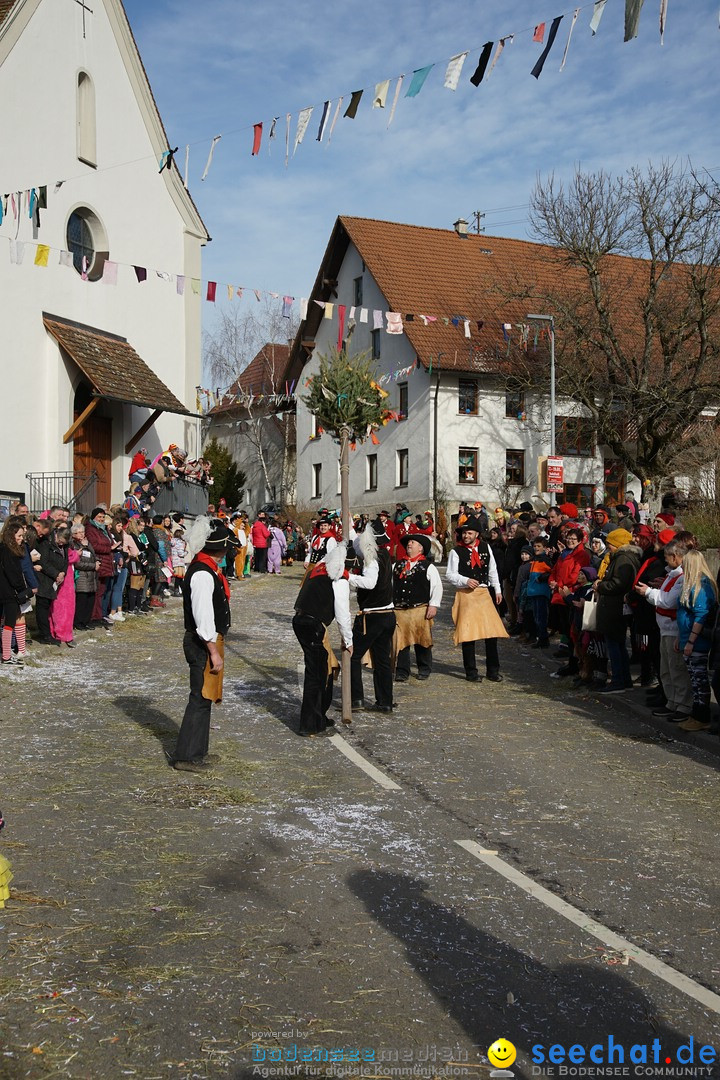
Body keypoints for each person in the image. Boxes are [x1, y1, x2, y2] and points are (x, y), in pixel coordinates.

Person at [171, 518, 236, 772]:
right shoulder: (201, 573)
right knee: (198, 697)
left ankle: (198, 751)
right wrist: (213, 651)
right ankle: (186, 756)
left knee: (206, 696)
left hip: (207, 641)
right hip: (201, 643)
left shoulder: (207, 568)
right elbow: (203, 616)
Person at [292, 542, 353, 736]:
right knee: (316, 676)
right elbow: (343, 613)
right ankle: (309, 725)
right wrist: (348, 640)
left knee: (321, 672)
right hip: (313, 625)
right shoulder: (338, 579)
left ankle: (318, 717)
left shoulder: (318, 570)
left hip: (301, 621)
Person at [635, 537, 693, 723]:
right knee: (666, 669)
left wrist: (649, 593)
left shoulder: (682, 577)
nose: (665, 560)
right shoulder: (672, 575)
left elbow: (669, 601)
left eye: (668, 557)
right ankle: (672, 701)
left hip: (674, 629)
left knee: (677, 669)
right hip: (665, 628)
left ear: (676, 557)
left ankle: (683, 704)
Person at [446, 515, 507, 682]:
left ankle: (493, 671)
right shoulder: (455, 551)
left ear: (477, 534)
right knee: (468, 634)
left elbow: (492, 570)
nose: (466, 536)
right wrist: (465, 580)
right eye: (464, 533)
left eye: (469, 533)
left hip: (484, 593)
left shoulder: (486, 548)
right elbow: (450, 574)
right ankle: (471, 672)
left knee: (491, 633)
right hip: (466, 594)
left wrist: (498, 590)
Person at [349, 519, 396, 713]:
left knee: (352, 656)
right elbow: (355, 545)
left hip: (372, 616)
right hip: (387, 615)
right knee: (382, 660)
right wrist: (350, 527)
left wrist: (348, 577)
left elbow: (370, 583)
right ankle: (385, 701)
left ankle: (356, 698)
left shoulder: (373, 558)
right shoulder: (385, 554)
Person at [673, 548, 718, 732]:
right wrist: (680, 638)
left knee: (699, 679)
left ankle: (702, 716)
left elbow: (700, 616)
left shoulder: (702, 586)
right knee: (694, 678)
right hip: (686, 637)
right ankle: (696, 714)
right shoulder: (690, 584)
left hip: (696, 641)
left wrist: (691, 641)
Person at [593, 528, 643, 693]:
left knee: (615, 645)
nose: (608, 548)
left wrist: (601, 585)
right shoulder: (624, 558)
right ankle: (624, 679)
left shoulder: (623, 559)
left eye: (610, 544)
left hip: (614, 607)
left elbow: (619, 583)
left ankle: (618, 680)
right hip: (615, 607)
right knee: (618, 644)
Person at [392, 533, 442, 682]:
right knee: (401, 642)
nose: (409, 544)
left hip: (420, 609)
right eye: (408, 543)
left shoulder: (428, 567)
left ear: (420, 548)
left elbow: (437, 587)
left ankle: (424, 668)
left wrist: (433, 605)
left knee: (422, 640)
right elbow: (389, 585)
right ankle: (402, 671)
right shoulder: (397, 565)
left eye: (412, 542)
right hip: (400, 611)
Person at [0, 516, 32, 666]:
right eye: (19, 536)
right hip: (9, 593)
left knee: (6, 623)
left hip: (5, 591)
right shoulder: (9, 552)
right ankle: (6, 656)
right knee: (9, 624)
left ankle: (6, 654)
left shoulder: (4, 548)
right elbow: (13, 574)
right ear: (11, 536)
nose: (21, 539)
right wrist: (24, 589)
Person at [48, 524, 79, 647]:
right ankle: (58, 633)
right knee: (58, 608)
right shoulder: (51, 545)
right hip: (58, 579)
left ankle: (66, 634)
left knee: (68, 608)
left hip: (68, 580)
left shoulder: (67, 547)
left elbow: (71, 557)